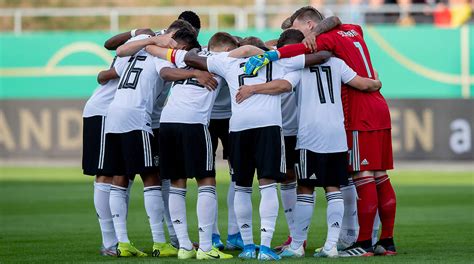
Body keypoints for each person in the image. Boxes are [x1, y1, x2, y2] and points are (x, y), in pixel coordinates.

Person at [244, 6, 397, 257]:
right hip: (348, 125)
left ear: (310, 27)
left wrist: (265, 63)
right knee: (348, 183)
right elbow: (362, 81)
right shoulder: (348, 39)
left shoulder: (304, 57)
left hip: (321, 129)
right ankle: (347, 244)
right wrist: (377, 82)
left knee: (310, 185)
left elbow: (285, 77)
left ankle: (309, 245)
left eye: (299, 29)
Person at [184, 32, 331, 261]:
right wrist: (270, 54)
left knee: (242, 187)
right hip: (268, 127)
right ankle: (264, 247)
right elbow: (317, 59)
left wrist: (238, 61)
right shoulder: (280, 60)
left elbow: (191, 58)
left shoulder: (227, 61)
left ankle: (248, 246)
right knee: (268, 185)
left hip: (239, 129)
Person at [102, 27, 207, 257]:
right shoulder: (161, 50)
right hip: (136, 116)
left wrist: (149, 39)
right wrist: (194, 73)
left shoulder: (139, 45)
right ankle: (160, 242)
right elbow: (166, 73)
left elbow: (118, 52)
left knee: (119, 177)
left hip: (114, 115)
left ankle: (123, 243)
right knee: (152, 178)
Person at [82, 55, 129, 256]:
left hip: (125, 114)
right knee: (105, 174)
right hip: (104, 111)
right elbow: (104, 75)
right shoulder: (140, 45)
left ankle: (120, 240)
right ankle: (109, 242)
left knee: (122, 175)